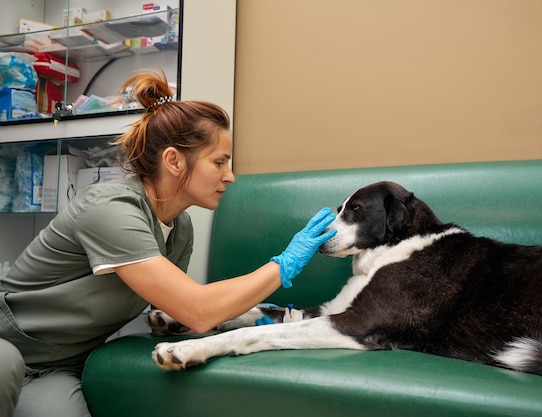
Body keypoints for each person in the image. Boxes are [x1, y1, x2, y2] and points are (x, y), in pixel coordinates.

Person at [0, 70, 336, 417]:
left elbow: (179, 312)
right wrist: (284, 264)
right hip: (6, 346)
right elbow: (199, 310)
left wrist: (264, 319)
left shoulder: (179, 231)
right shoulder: (109, 208)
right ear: (174, 161)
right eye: (219, 162)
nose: (230, 176)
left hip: (55, 368)